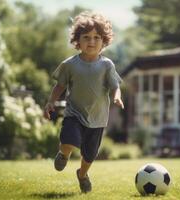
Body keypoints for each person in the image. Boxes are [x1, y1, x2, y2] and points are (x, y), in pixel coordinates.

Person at [43, 11, 124, 193]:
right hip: (74, 113)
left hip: (98, 119)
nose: (92, 41)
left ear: (104, 41)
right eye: (86, 37)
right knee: (69, 140)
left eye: (97, 37)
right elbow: (60, 86)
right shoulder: (70, 64)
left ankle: (82, 174)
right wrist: (50, 102)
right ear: (77, 41)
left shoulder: (107, 65)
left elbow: (115, 86)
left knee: (89, 155)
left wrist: (117, 96)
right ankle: (63, 154)